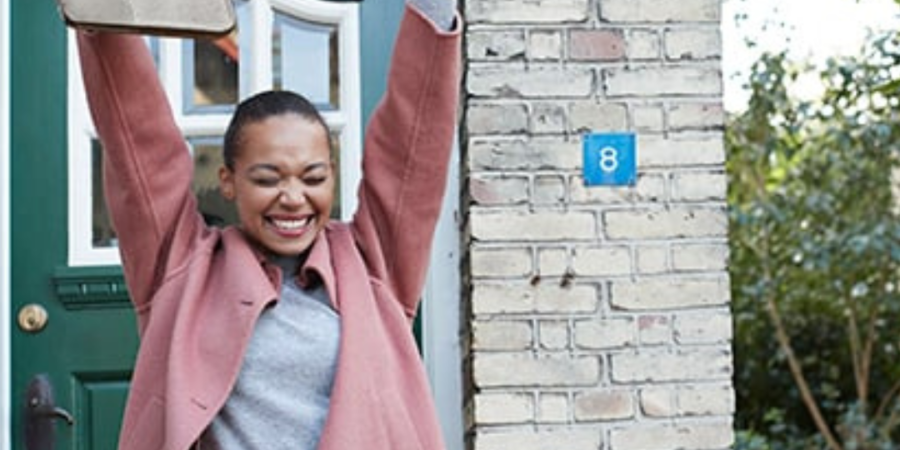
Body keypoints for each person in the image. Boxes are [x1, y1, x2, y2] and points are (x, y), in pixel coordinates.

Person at [74, 0, 460, 448]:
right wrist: (104, 11)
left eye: (314, 177)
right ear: (229, 181)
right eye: (267, 179)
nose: (293, 198)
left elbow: (411, 143)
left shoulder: (372, 264)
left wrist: (435, 12)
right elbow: (139, 139)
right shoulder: (182, 267)